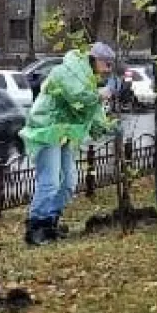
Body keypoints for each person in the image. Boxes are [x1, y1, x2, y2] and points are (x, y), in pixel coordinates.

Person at [22, 42, 118, 246]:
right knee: (50, 182)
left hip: (67, 133)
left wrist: (108, 126)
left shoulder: (89, 80)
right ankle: (36, 227)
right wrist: (101, 94)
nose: (108, 70)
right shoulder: (68, 71)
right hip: (47, 129)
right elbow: (79, 98)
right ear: (96, 59)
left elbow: (92, 113)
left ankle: (51, 222)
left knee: (68, 183)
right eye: (107, 64)